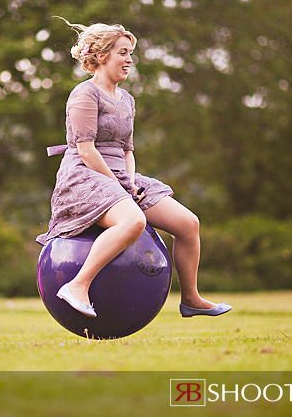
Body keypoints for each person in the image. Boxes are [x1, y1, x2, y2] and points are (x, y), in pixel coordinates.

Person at [37, 19, 231, 319]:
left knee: (189, 224)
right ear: (101, 57)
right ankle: (77, 286)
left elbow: (127, 150)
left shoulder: (127, 99)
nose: (130, 60)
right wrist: (117, 184)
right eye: (123, 53)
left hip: (119, 177)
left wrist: (128, 181)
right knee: (133, 221)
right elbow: (87, 150)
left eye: (131, 54)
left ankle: (191, 298)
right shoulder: (84, 95)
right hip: (85, 175)